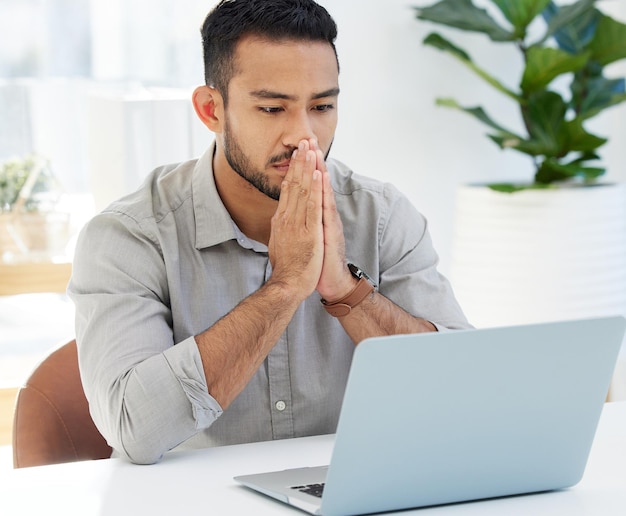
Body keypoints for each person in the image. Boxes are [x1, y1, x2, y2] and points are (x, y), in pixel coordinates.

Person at [68, 0, 471, 465]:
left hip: (352, 492)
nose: (304, 136)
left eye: (322, 105)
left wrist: (344, 290)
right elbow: (132, 428)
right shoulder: (129, 237)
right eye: (272, 108)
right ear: (210, 109)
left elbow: (461, 393)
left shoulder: (381, 215)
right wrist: (284, 288)